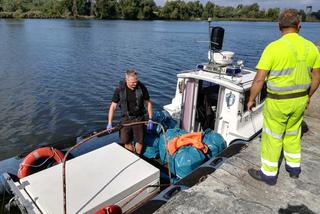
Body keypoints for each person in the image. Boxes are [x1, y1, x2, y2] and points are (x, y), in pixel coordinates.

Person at [247, 9, 320, 185]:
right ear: (299, 25)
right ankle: (294, 168)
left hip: (278, 102)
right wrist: (308, 96)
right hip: (300, 100)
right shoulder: (311, 47)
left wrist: (251, 99)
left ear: (279, 26)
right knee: (293, 133)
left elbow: (259, 80)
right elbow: (317, 77)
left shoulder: (273, 48)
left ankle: (269, 174)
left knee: (272, 136)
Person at [107, 69, 153, 155]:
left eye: (136, 81)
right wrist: (109, 123)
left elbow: (148, 103)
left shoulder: (141, 87)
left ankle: (137, 155)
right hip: (126, 118)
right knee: (126, 141)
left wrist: (150, 118)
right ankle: (131, 154)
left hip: (139, 118)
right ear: (126, 80)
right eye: (133, 82)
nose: (135, 84)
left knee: (140, 140)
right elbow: (113, 106)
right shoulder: (120, 89)